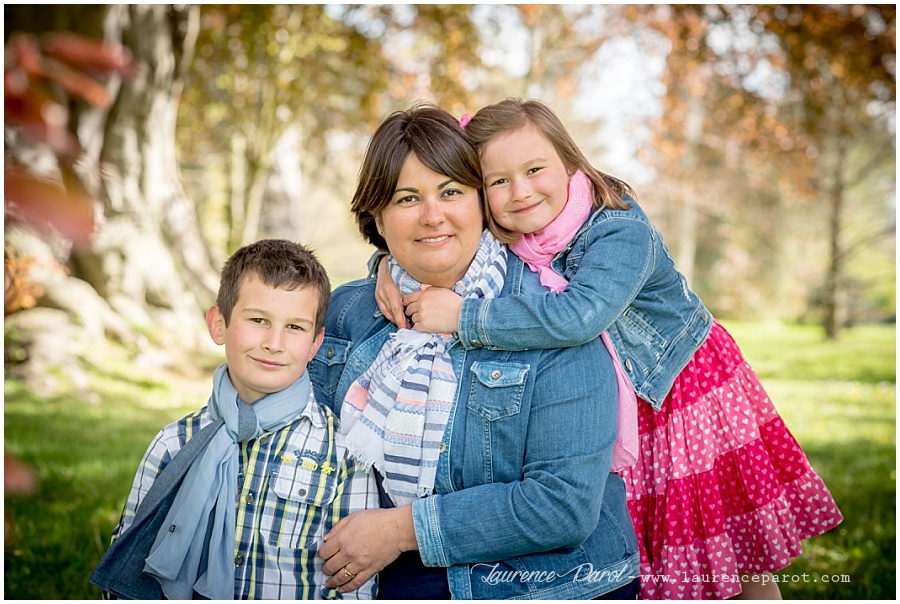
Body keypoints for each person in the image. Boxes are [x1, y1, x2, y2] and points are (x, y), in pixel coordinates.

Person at [376, 98, 844, 600]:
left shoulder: (620, 230)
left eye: (535, 169)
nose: (521, 191)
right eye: (498, 181)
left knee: (732, 557)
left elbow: (579, 316)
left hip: (679, 393)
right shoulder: (524, 237)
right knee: (658, 551)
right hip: (620, 404)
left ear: (571, 163)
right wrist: (382, 263)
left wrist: (464, 317)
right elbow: (437, 234)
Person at [307, 105, 640, 600]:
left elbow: (561, 507)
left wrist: (400, 530)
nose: (432, 215)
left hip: (543, 585)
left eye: (451, 191)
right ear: (376, 215)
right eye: (405, 198)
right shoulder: (346, 311)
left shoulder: (549, 315)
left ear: (482, 201)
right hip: (379, 575)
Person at [105, 239, 378, 600]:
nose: (274, 342)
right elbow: (127, 562)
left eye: (295, 327)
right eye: (258, 320)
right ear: (219, 324)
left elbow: (354, 588)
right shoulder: (174, 443)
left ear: (316, 342)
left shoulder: (345, 453)